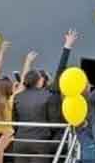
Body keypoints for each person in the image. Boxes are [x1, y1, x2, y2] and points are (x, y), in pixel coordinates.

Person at [13, 29, 78, 163]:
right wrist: (67, 46)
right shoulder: (48, 95)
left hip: (20, 142)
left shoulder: (18, 97)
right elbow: (54, 124)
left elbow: (15, 121)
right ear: (40, 81)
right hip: (40, 143)